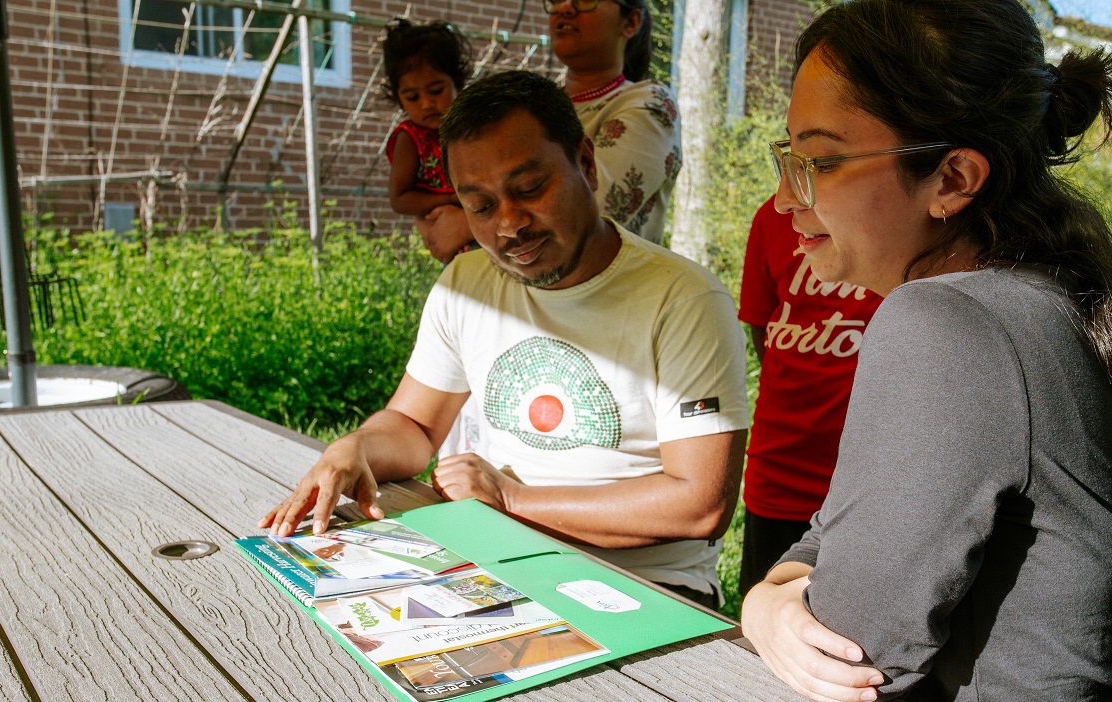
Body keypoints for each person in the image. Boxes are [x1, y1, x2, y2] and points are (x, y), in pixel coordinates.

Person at [740, 0, 1112, 700]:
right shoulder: (1026, 298)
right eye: (788, 156)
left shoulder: (946, 321)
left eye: (820, 161)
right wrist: (765, 602)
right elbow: (835, 534)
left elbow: (854, 649)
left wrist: (764, 604)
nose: (784, 199)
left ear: (953, 179)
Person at [261, 70, 749, 608]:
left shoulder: (683, 300)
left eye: (529, 189)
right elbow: (415, 424)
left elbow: (699, 504)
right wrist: (354, 448)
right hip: (495, 558)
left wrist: (510, 499)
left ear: (586, 163)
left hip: (646, 588)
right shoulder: (467, 284)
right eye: (482, 206)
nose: (510, 224)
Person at [736, 196, 881, 598]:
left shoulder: (889, 220)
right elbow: (761, 327)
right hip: (779, 466)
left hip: (869, 480)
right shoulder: (774, 216)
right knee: (763, 614)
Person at [545, 0, 681, 245]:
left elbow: (591, 215)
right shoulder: (533, 107)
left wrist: (461, 223)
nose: (565, 8)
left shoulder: (649, 104)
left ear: (630, 23)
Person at [382, 19, 474, 263]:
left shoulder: (473, 125)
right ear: (398, 98)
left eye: (436, 91)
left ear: (458, 83)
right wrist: (449, 200)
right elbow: (399, 199)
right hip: (443, 228)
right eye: (412, 96)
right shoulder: (409, 138)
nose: (426, 104)